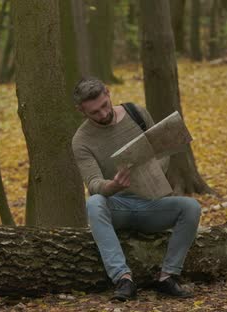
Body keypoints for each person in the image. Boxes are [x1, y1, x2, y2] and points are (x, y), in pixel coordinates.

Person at [71, 77, 201, 301]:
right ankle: (123, 278)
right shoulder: (81, 140)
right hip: (118, 206)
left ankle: (168, 276)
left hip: (152, 202)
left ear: (108, 93)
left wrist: (151, 172)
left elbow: (162, 153)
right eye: (94, 112)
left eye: (104, 106)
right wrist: (112, 185)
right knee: (93, 203)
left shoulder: (137, 113)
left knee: (191, 207)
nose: (103, 114)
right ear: (81, 111)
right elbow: (93, 183)